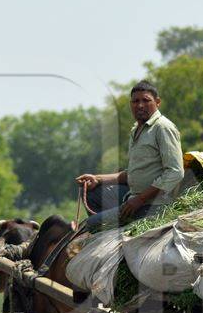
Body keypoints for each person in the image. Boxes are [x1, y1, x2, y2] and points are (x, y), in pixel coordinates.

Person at [76, 80, 185, 230]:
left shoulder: (163, 127)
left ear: (157, 102)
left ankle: (114, 230)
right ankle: (118, 227)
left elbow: (175, 172)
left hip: (153, 204)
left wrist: (140, 200)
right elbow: (133, 174)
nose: (140, 105)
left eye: (146, 100)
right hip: (132, 196)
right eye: (135, 101)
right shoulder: (136, 130)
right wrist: (98, 179)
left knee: (90, 225)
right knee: (91, 191)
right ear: (131, 104)